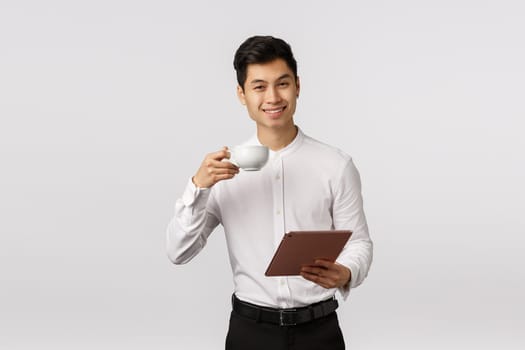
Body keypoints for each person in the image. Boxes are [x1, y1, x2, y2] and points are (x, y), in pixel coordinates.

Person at [167, 35, 373, 350]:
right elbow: (179, 252)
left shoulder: (336, 165)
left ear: (298, 86)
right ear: (242, 94)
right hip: (250, 332)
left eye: (282, 83)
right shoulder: (223, 171)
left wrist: (346, 272)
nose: (273, 97)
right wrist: (197, 188)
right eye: (259, 86)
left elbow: (358, 242)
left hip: (319, 331)